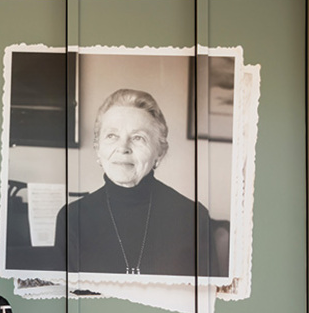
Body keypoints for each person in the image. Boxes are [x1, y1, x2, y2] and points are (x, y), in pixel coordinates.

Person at [52, 88, 220, 276]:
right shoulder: (72, 218)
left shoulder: (194, 218)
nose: (123, 148)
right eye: (112, 136)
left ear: (159, 153)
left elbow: (211, 300)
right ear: (98, 150)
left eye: (138, 138)